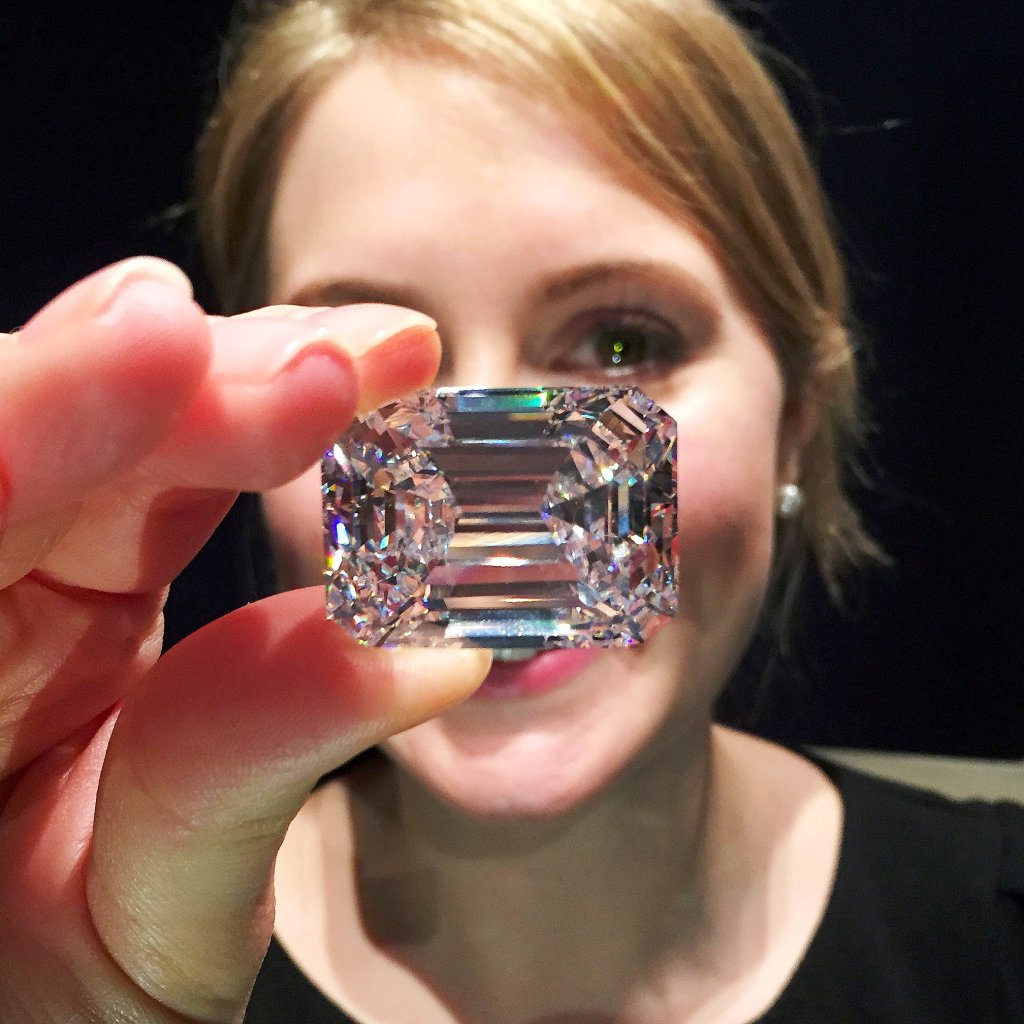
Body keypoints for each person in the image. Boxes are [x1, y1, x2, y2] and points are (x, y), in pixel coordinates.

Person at [0, 1, 1020, 1022]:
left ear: (795, 418)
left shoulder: (990, 932)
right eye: (374, 373)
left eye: (621, 344)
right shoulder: (64, 944)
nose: (495, 510)